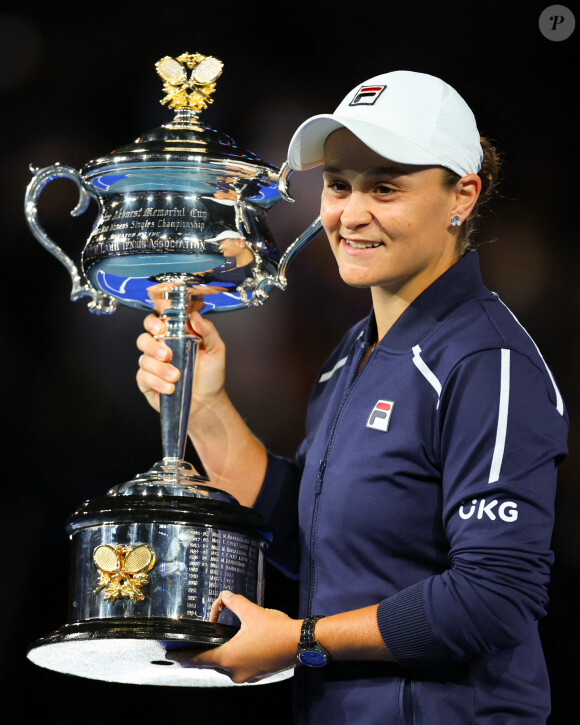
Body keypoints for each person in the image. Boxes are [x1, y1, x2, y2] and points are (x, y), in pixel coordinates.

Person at [136, 71, 568, 723]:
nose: (350, 212)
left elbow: (494, 596)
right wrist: (203, 405)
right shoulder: (351, 352)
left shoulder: (489, 361)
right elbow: (315, 540)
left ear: (462, 196)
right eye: (338, 184)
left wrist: (298, 640)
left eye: (385, 187)